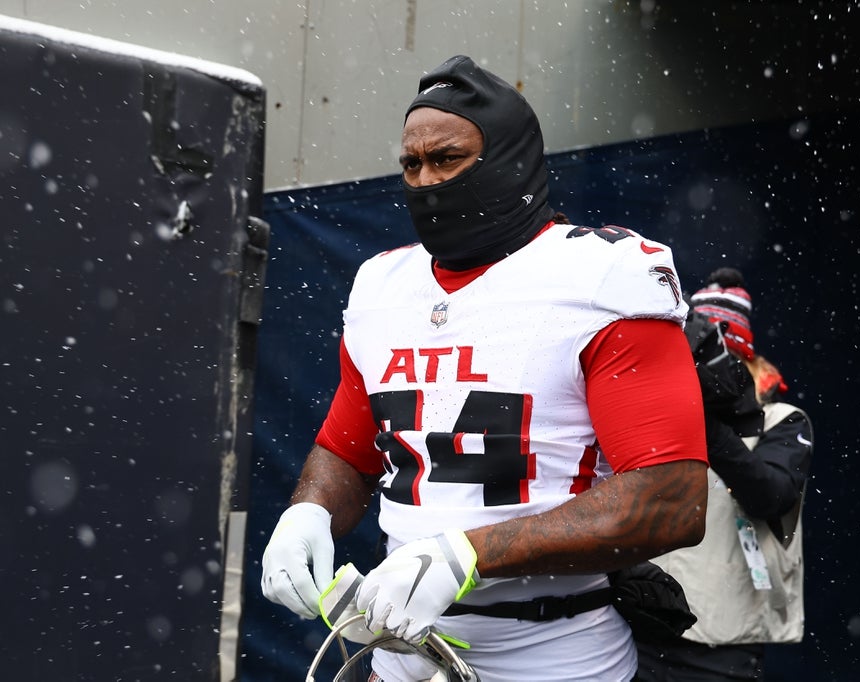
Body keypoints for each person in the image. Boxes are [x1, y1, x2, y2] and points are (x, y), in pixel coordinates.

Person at [260, 54, 710, 681]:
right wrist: (308, 511)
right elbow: (352, 448)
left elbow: (671, 500)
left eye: (446, 159)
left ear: (509, 161)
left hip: (557, 655)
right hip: (402, 656)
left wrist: (469, 553)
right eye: (410, 164)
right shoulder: (382, 284)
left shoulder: (603, 275)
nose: (424, 182)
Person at [635, 267, 814, 682]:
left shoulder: (782, 421)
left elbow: (770, 495)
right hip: (641, 630)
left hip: (723, 645)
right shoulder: (655, 414)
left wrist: (705, 421)